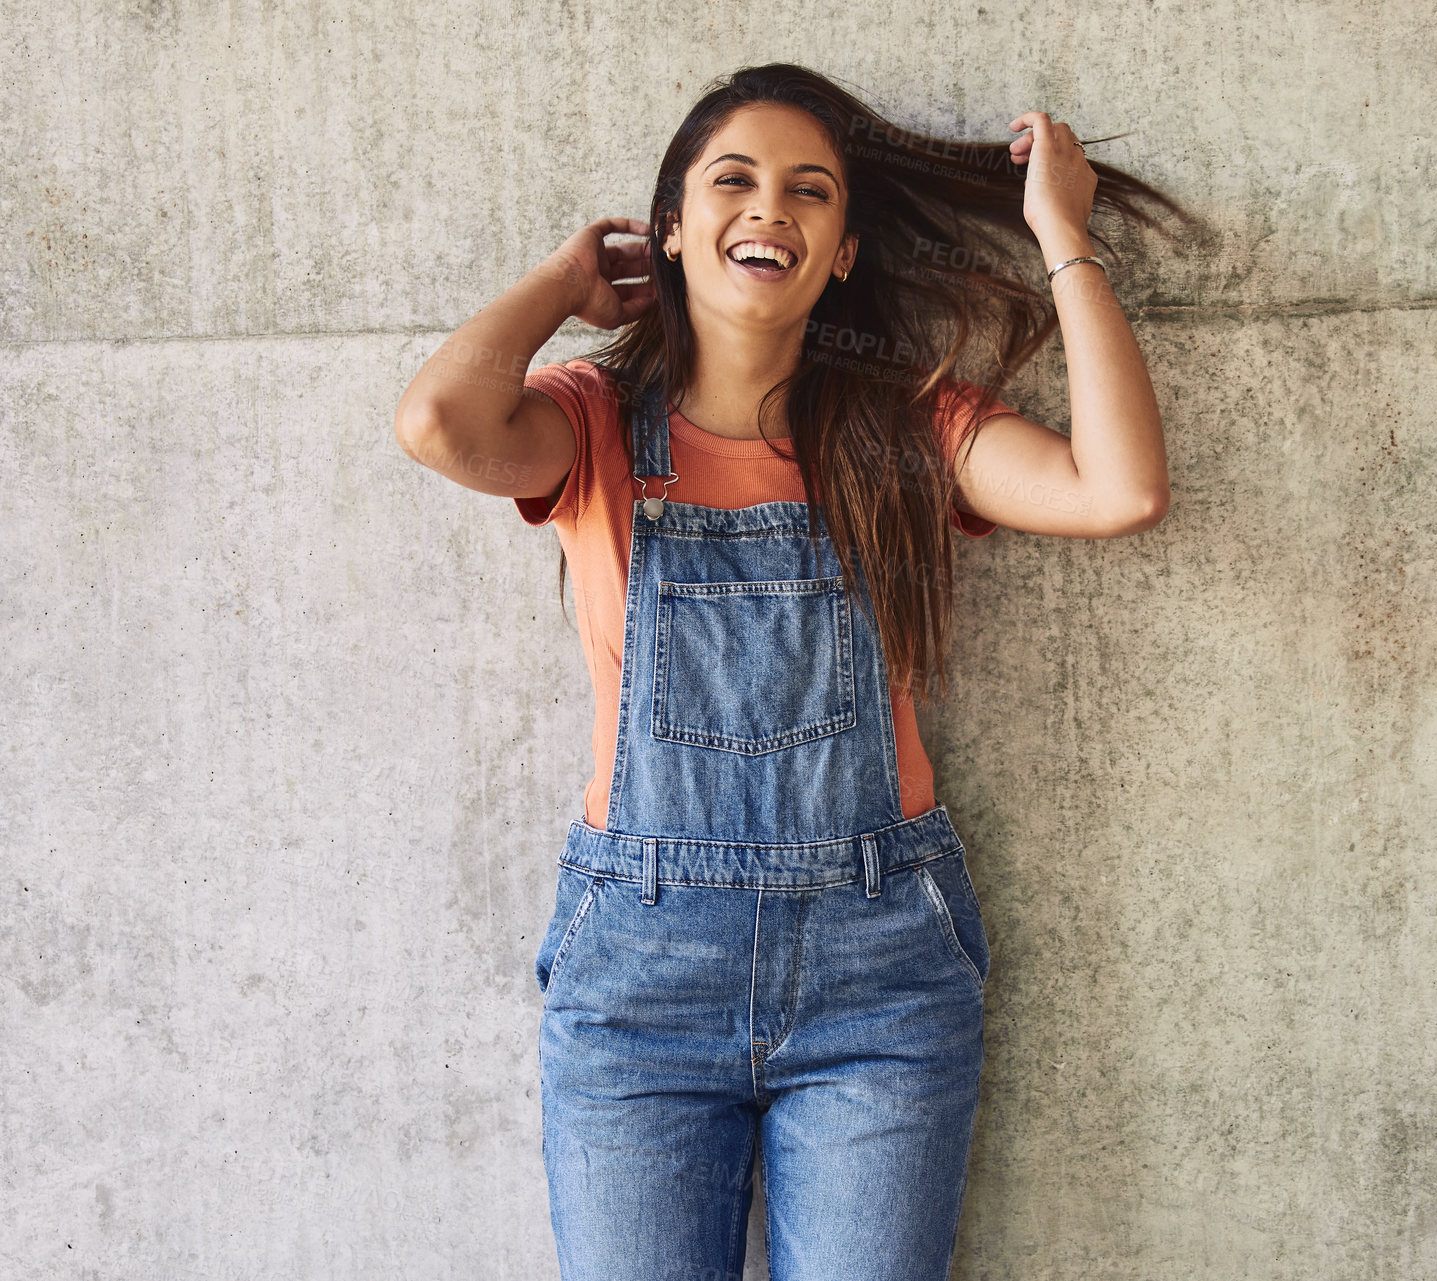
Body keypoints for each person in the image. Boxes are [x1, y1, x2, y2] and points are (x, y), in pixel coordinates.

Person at [395, 62, 1188, 1281]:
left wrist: (1062, 238)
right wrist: (564, 283)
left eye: (810, 192)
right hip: (641, 980)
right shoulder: (595, 420)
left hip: (880, 976)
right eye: (734, 180)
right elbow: (439, 424)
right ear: (672, 229)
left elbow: (1119, 488)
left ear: (844, 253)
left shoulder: (911, 427)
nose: (771, 207)